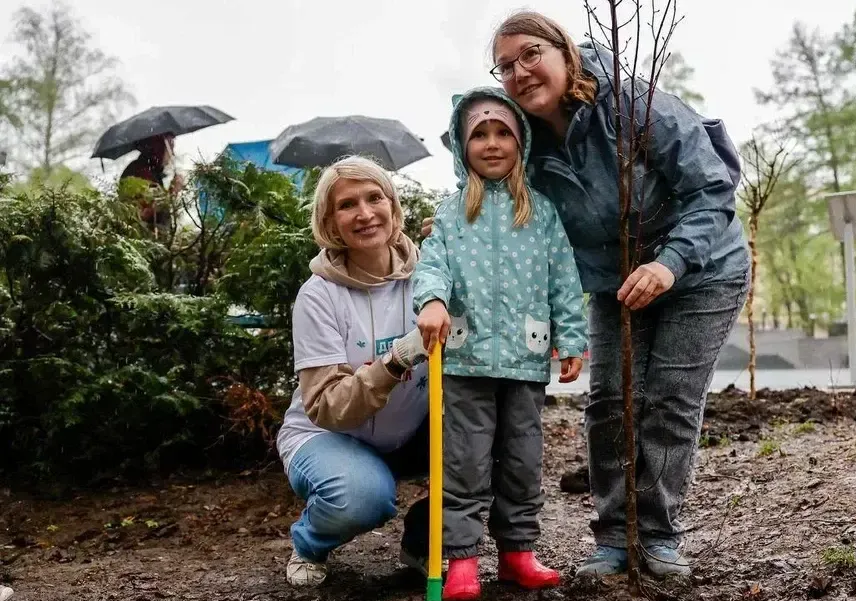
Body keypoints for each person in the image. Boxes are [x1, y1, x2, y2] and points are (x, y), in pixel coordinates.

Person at [475, 11, 749, 579]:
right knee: (610, 404)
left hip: (703, 267)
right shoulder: (526, 147)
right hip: (614, 280)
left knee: (670, 399)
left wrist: (670, 264)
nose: (520, 72)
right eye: (505, 66)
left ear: (563, 52)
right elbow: (511, 222)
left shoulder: (629, 104)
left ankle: (655, 534)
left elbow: (711, 186)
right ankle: (614, 537)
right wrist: (457, 231)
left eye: (530, 54)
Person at [413, 88, 587, 600]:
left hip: (525, 358)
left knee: (522, 459)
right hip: (464, 359)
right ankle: (462, 560)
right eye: (479, 135)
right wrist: (431, 302)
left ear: (521, 140)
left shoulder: (541, 213)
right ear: (461, 147)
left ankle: (516, 554)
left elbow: (563, 278)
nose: (491, 144)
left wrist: (572, 336)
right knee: (464, 461)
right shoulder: (450, 213)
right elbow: (432, 264)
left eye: (502, 133)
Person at [274, 155, 433, 587]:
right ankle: (309, 544)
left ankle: (423, 542)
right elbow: (328, 406)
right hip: (328, 434)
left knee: (493, 445)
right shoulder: (318, 295)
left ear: (393, 206)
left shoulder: (430, 277)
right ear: (329, 220)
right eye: (347, 205)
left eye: (374, 197)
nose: (364, 214)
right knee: (361, 497)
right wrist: (396, 360)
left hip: (409, 433)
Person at [120, 133, 185, 231]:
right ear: (158, 148)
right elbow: (144, 214)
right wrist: (172, 192)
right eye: (170, 148)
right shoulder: (140, 172)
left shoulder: (152, 171)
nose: (173, 154)